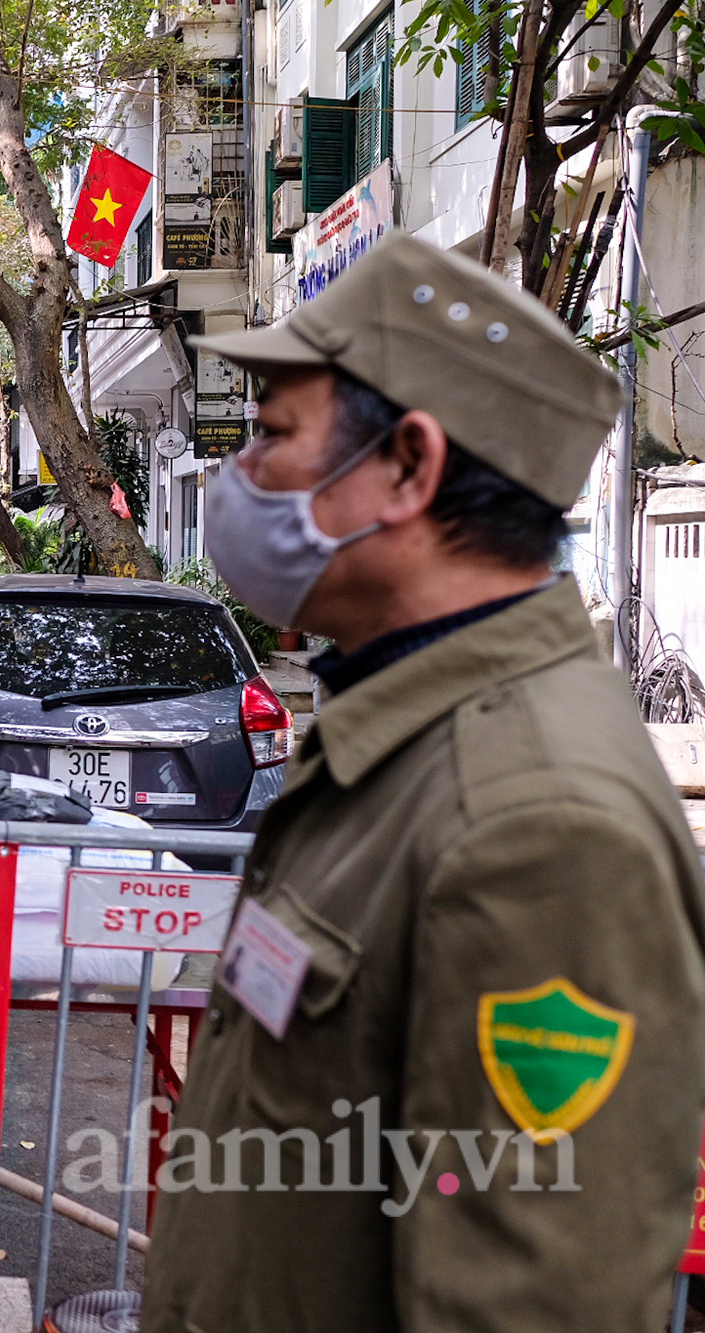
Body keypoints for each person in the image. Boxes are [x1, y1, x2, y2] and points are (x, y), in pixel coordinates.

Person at [139, 233, 705, 1332]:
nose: (237, 480)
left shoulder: (535, 827)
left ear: (405, 465)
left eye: (270, 438)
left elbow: (525, 1300)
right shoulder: (397, 736)